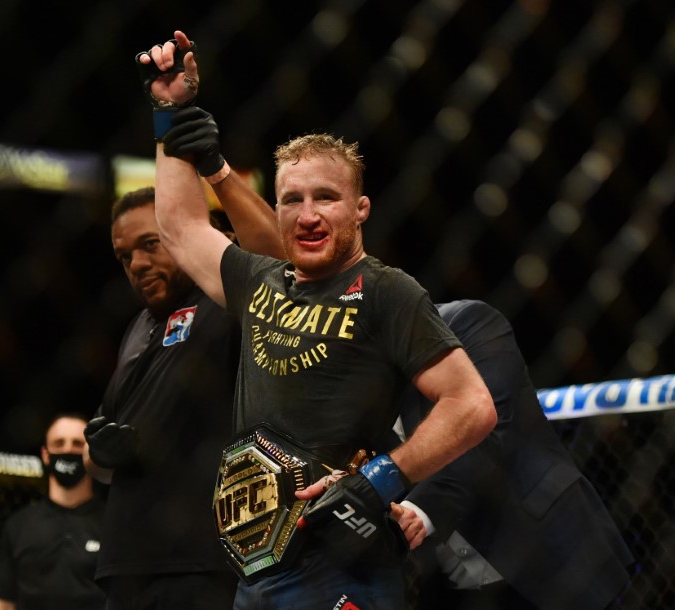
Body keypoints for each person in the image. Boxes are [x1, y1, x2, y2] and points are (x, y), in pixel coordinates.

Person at [142, 31, 498, 609]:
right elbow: (181, 228)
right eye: (292, 200)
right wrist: (168, 115)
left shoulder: (386, 291)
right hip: (257, 565)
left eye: (326, 198)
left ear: (360, 209)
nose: (307, 215)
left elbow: (472, 405)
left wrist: (381, 479)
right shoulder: (259, 280)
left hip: (341, 564)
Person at [82, 129, 284, 607]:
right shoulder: (137, 328)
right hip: (126, 561)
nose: (137, 263)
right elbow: (102, 443)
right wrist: (100, 454)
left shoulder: (223, 298)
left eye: (151, 244)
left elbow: (276, 260)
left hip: (199, 556)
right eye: (124, 256)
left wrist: (215, 171)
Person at [389, 299, 634, 610]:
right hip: (461, 585)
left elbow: (484, 435)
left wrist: (414, 512)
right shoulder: (351, 388)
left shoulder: (464, 322)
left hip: (551, 547)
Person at [0, 413, 106, 610]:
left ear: (90, 453)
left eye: (77, 443)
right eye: (59, 443)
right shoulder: (20, 524)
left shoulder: (112, 524)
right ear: (45, 455)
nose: (68, 450)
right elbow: (2, 600)